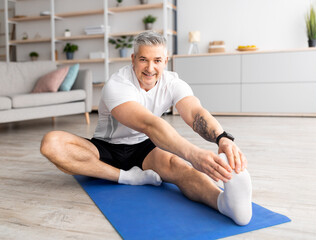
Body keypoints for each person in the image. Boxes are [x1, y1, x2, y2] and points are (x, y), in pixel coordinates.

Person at [40, 31, 252, 225]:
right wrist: (194, 154)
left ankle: (225, 204)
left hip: (143, 147)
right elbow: (150, 124)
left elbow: (196, 113)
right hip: (105, 148)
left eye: (157, 61)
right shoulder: (118, 84)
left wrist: (222, 138)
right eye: (143, 60)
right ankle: (128, 177)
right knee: (52, 144)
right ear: (133, 59)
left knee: (179, 167)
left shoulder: (173, 82)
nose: (150, 68)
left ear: (165, 61)